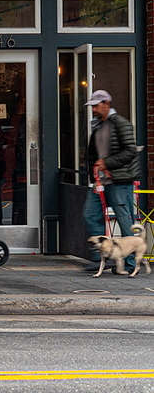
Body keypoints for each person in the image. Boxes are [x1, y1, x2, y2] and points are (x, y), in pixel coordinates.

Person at [82, 89, 140, 273]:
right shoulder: (97, 126)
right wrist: (94, 176)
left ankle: (130, 263)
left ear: (107, 103)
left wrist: (107, 163)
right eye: (93, 107)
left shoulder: (121, 123)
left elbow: (130, 150)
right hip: (102, 181)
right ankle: (102, 256)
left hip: (120, 180)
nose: (94, 110)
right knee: (90, 215)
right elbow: (93, 154)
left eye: (97, 106)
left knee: (125, 221)